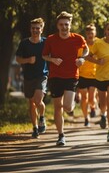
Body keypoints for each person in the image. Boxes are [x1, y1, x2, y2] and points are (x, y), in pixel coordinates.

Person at [42, 12, 88, 146]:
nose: (64, 27)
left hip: (71, 75)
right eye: (61, 24)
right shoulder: (51, 39)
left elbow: (86, 49)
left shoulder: (78, 38)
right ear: (57, 25)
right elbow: (44, 55)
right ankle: (61, 135)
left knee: (67, 107)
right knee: (57, 106)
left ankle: (71, 105)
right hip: (55, 76)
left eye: (66, 24)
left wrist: (82, 58)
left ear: (70, 25)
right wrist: (52, 59)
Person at [87, 21, 109, 142]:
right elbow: (87, 56)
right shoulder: (98, 43)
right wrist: (97, 62)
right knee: (103, 104)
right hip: (100, 77)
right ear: (105, 31)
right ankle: (103, 114)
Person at [16, 18, 48, 138]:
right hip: (28, 76)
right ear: (30, 29)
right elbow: (18, 59)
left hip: (42, 75)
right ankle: (34, 128)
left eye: (37, 28)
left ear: (41, 29)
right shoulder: (24, 43)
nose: (35, 30)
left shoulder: (46, 42)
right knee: (31, 104)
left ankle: (42, 118)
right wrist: (28, 60)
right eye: (33, 28)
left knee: (38, 100)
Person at [77, 24, 98, 127]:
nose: (90, 35)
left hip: (94, 74)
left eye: (92, 32)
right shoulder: (82, 44)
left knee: (91, 97)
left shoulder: (98, 43)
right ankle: (86, 117)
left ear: (95, 33)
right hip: (82, 74)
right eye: (88, 33)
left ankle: (93, 106)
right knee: (84, 97)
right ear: (86, 34)